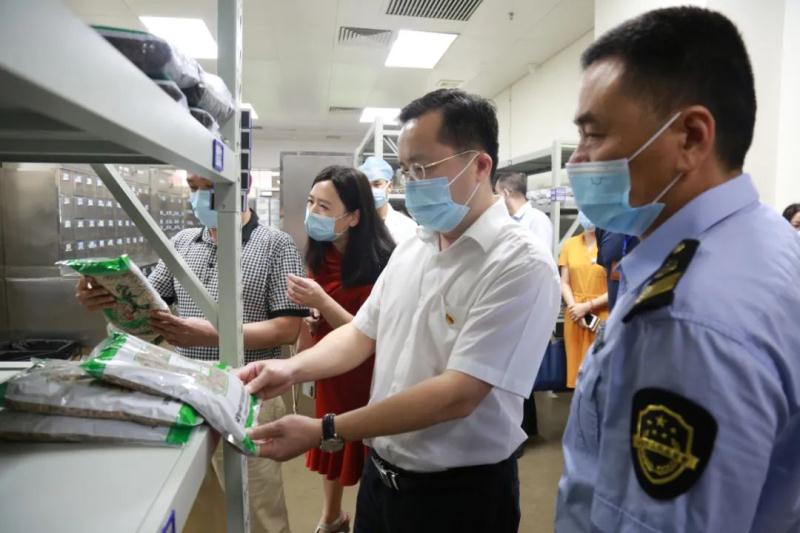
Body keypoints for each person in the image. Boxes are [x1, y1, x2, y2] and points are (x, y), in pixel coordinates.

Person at [238, 89, 561, 533]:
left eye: (423, 169)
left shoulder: (519, 263)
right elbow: (360, 334)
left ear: (480, 166)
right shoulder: (414, 246)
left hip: (457, 497)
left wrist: (326, 429)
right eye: (406, 170)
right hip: (381, 478)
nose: (411, 184)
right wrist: (290, 370)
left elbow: (458, 393)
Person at [556, 7, 800, 532]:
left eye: (593, 135)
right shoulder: (766, 243)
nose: (577, 161)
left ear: (690, 137)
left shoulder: (687, 319)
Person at [75, 174, 307, 533]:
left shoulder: (275, 244)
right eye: (192, 186)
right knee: (199, 507)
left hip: (250, 393)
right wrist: (108, 299)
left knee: (258, 508)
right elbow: (147, 312)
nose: (198, 196)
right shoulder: (182, 242)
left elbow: (287, 329)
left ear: (241, 184)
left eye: (207, 186)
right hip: (187, 393)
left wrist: (213, 335)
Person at [286, 165, 395, 533]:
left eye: (324, 207)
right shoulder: (320, 256)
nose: (313, 213)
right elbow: (315, 326)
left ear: (353, 217)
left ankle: (365, 514)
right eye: (310, 202)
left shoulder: (384, 263)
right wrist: (310, 318)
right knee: (330, 442)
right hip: (331, 371)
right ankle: (331, 516)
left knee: (367, 446)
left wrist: (321, 301)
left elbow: (368, 334)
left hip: (369, 373)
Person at [558, 212, 608, 388]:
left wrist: (587, 306)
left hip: (601, 315)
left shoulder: (609, 244)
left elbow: (617, 287)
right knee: (576, 375)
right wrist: (574, 308)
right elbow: (564, 282)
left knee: (599, 375)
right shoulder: (570, 244)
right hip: (575, 317)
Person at [358, 156, 418, 244]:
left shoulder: (407, 227)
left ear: (389, 187)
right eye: (366, 186)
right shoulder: (355, 223)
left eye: (377, 184)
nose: (371, 191)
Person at [494, 170, 554, 251]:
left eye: (497, 193)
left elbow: (541, 256)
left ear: (505, 193)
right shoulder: (506, 219)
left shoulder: (538, 220)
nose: (495, 199)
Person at [594, 228, 638, 311]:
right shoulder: (603, 227)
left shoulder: (647, 225)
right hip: (615, 306)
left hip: (646, 304)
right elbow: (606, 267)